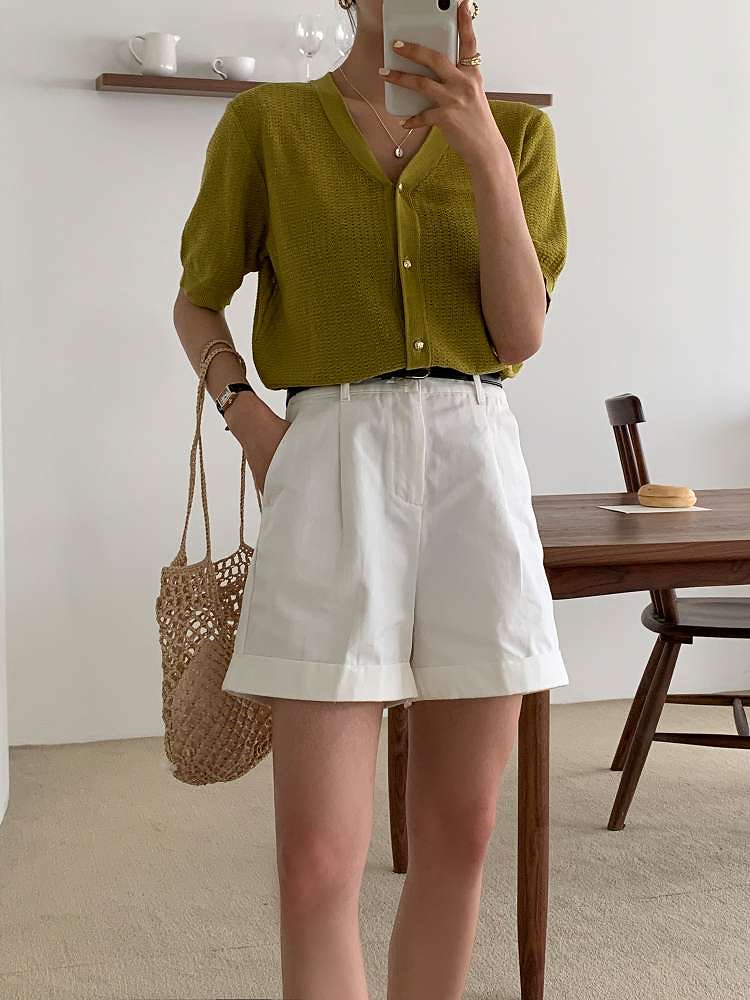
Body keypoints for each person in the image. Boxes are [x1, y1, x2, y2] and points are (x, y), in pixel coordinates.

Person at [173, 1, 568, 996]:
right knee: (314, 861)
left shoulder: (520, 134)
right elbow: (197, 296)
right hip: (330, 459)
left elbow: (519, 336)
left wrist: (481, 149)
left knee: (462, 829)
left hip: (474, 462)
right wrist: (248, 419)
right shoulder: (268, 126)